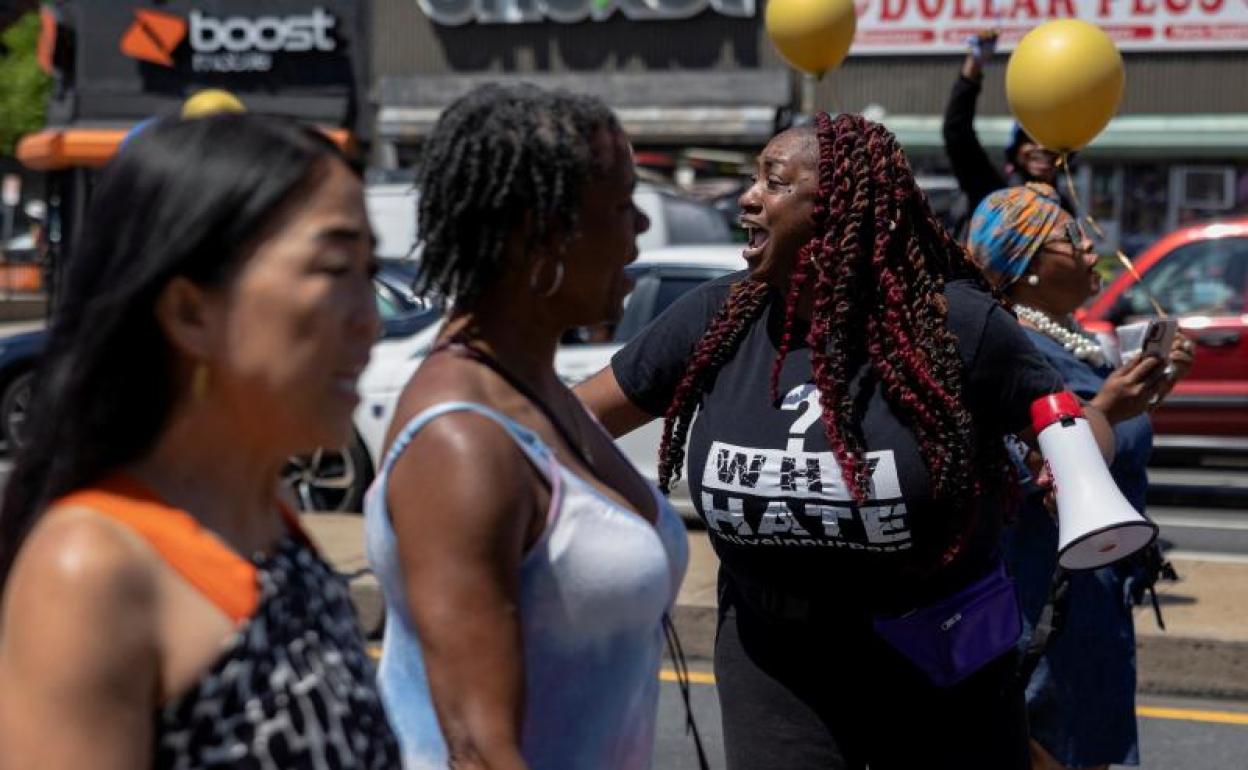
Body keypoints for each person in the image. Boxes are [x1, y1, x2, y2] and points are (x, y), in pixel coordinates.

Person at [576, 112, 1115, 769]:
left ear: (837, 210)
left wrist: (1076, 464)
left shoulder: (958, 327)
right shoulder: (715, 320)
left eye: (772, 183)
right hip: (773, 660)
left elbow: (1074, 418)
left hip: (941, 657)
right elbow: (566, 423)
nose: (748, 198)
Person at [0, 113, 399, 768]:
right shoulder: (92, 569)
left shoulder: (271, 524)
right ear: (190, 311)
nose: (369, 323)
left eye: (368, 271)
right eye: (334, 269)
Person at [364, 84, 689, 769]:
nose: (639, 229)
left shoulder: (541, 393)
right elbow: (480, 751)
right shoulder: (463, 441)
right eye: (620, 203)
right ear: (540, 229)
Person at [967, 182, 1194, 770]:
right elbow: (1011, 469)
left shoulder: (1079, 341)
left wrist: (1147, 395)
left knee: (1088, 744)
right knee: (1049, 746)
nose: (1091, 246)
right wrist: (1109, 409)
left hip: (1093, 597)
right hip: (1041, 597)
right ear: (1027, 265)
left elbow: (1109, 448)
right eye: (1070, 236)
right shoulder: (1009, 345)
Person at [942, 30, 1072, 228]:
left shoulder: (1064, 209)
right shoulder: (993, 191)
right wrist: (973, 66)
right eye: (1030, 139)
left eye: (1050, 141)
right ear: (1016, 148)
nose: (1041, 147)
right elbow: (957, 132)